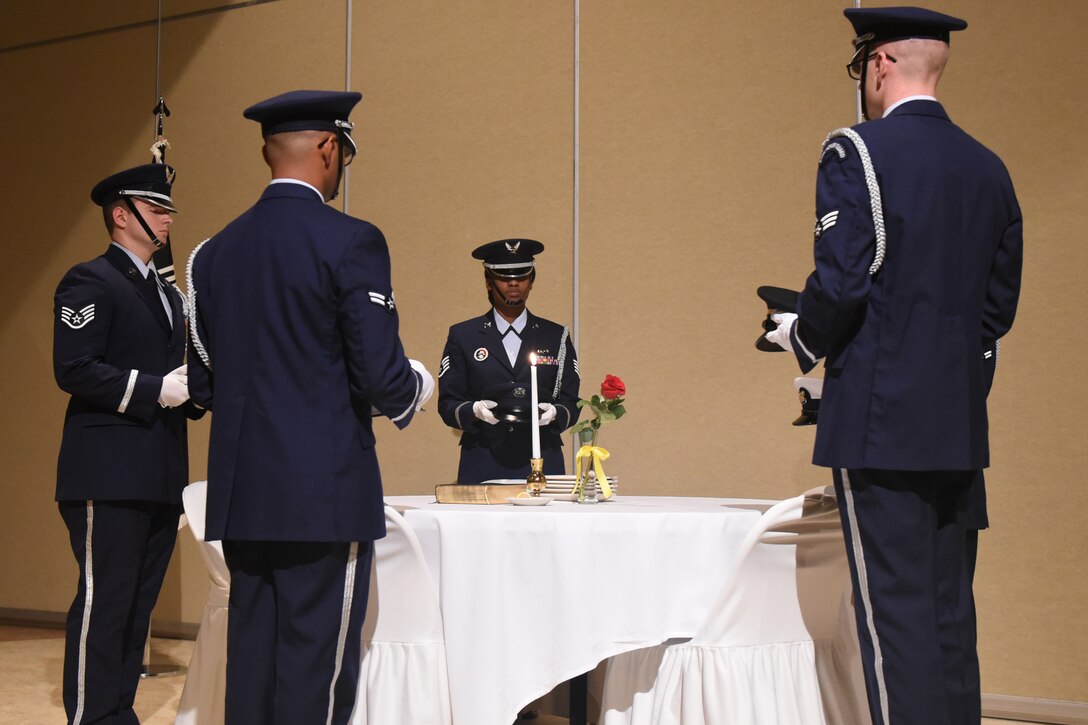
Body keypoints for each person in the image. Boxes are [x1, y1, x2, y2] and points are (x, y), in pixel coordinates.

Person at [763, 7, 1022, 724]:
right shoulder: (989, 167)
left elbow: (844, 282)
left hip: (882, 423)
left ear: (878, 64)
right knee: (946, 618)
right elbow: (996, 312)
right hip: (960, 421)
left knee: (893, 623)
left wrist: (801, 335)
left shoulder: (857, 151)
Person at [186, 89, 433, 725]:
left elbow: (205, 378)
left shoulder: (212, 253)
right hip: (322, 493)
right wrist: (418, 388)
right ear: (330, 148)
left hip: (244, 491)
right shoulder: (352, 240)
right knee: (314, 669)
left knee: (255, 658)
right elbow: (382, 377)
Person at [54, 162, 200, 725]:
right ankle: (92, 718)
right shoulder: (88, 280)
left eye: (167, 210)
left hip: (158, 470)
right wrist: (152, 389)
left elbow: (178, 376)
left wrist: (195, 390)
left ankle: (118, 714)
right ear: (122, 214)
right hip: (107, 470)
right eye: (157, 208)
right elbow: (75, 367)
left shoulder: (167, 296)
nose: (167, 219)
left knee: (136, 610)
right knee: (104, 604)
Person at [438, 239, 580, 483]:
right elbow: (449, 402)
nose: (513, 283)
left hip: (543, 457)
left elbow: (571, 401)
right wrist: (474, 410)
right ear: (488, 282)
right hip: (483, 457)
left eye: (522, 276)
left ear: (531, 281)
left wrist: (555, 413)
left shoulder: (556, 336)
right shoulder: (464, 336)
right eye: (504, 277)